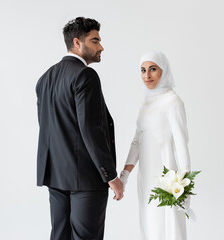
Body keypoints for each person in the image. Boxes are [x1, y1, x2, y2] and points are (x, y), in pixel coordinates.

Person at [35, 17, 123, 240]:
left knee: (59, 236)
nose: (101, 47)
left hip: (55, 175)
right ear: (77, 42)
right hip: (85, 178)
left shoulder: (44, 79)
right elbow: (91, 129)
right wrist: (110, 175)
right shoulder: (85, 75)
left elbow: (48, 127)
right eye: (95, 41)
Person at [119, 50, 191, 240]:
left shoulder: (173, 101)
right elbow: (137, 142)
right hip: (146, 180)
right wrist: (124, 176)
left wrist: (184, 186)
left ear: (164, 71)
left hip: (168, 180)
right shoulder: (146, 103)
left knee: (169, 228)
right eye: (143, 70)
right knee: (149, 228)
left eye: (153, 69)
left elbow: (182, 144)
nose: (147, 75)